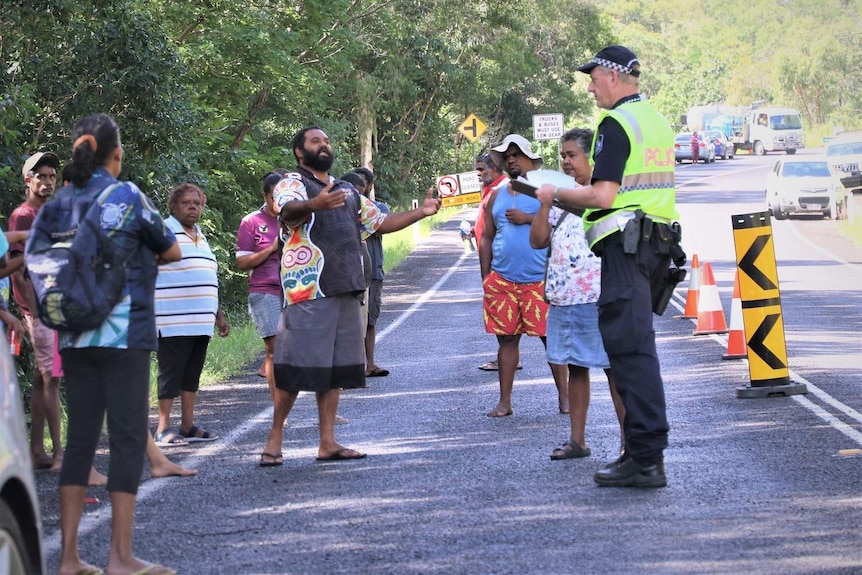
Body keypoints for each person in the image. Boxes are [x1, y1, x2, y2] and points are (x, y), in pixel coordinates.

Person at [30, 112, 181, 575]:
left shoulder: (57, 203)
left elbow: (35, 259)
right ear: (115, 154)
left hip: (73, 334)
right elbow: (171, 249)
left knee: (78, 443)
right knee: (127, 436)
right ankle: (120, 557)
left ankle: (70, 559)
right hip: (125, 333)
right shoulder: (126, 194)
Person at [535, 46, 682, 488]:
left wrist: (552, 195)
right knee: (637, 349)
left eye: (594, 76)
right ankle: (644, 453)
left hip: (626, 249)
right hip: (654, 245)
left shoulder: (615, 123)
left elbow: (602, 196)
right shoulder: (655, 121)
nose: (591, 85)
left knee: (628, 352)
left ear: (614, 77)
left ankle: (645, 457)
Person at [259, 125, 440, 467]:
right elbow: (288, 212)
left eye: (326, 141)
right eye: (316, 141)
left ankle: (327, 442)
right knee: (295, 367)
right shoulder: (292, 184)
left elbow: (380, 222)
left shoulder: (347, 190)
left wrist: (422, 212)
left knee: (335, 369)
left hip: (346, 285)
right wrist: (316, 203)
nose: (323, 145)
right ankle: (274, 439)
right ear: (300, 151)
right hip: (308, 289)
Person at [529, 128, 625, 460]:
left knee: (615, 370)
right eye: (563, 156)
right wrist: (545, 203)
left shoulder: (608, 193)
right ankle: (578, 440)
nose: (566, 162)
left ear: (590, 157)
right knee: (576, 368)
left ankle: (629, 442)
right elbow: (538, 240)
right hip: (565, 297)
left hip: (600, 297)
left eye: (572, 155)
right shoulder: (561, 196)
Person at [480, 134, 568, 417]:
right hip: (503, 280)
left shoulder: (544, 190)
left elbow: (565, 225)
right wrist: (486, 276)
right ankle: (504, 402)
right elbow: (486, 238)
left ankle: (565, 399)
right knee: (507, 339)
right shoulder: (498, 193)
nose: (511, 159)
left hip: (539, 280)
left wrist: (529, 218)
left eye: (516, 154)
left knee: (550, 340)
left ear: (531, 158)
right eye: (506, 156)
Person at [154, 183, 230, 446]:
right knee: (170, 374)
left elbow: (208, 277)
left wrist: (219, 315)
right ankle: (163, 429)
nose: (192, 208)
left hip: (201, 320)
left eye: (197, 204)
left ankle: (187, 425)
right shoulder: (163, 230)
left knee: (191, 375)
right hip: (172, 318)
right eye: (186, 203)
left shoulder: (201, 235)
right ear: (174, 206)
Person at [9, 151, 66, 471]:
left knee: (42, 377)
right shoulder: (23, 215)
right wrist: (34, 311)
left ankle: (35, 451)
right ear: (27, 180)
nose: (47, 182)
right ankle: (59, 453)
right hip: (40, 309)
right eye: (40, 176)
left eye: (51, 177)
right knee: (52, 378)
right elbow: (17, 269)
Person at [236, 169, 288, 396]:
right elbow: (243, 262)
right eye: (272, 197)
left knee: (309, 350)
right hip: (265, 290)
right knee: (275, 351)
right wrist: (272, 248)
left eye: (282, 197)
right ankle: (279, 410)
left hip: (297, 291)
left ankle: (324, 409)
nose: (277, 203)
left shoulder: (299, 218)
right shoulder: (251, 222)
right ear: (264, 196)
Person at [350, 167, 391, 378]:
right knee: (350, 322)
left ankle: (370, 363)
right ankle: (354, 366)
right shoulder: (343, 208)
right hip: (349, 275)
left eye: (362, 186)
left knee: (370, 320)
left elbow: (382, 223)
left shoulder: (378, 208)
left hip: (373, 271)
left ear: (369, 186)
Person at [473, 154, 511, 373]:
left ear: (495, 169)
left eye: (481, 169)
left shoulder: (504, 189)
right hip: (492, 259)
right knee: (498, 311)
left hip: (503, 261)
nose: (478, 174)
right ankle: (505, 356)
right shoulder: (490, 190)